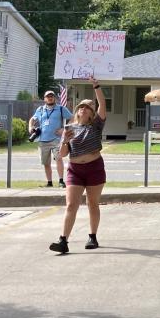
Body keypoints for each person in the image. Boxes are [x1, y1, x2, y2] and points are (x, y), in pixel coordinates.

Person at [49, 80, 107, 254]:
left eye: (87, 108)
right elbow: (63, 154)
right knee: (71, 205)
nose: (83, 109)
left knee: (92, 204)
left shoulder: (96, 126)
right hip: (75, 170)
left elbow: (102, 104)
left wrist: (96, 86)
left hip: (94, 167)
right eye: (81, 107)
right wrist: (65, 140)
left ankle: (93, 236)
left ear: (91, 113)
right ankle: (63, 240)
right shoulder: (69, 128)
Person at [29, 90, 72, 187]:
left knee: (59, 158)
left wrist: (64, 129)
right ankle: (49, 182)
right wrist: (30, 127)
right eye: (48, 96)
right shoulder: (40, 110)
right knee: (46, 162)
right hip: (43, 140)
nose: (50, 98)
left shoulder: (61, 109)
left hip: (56, 139)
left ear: (54, 98)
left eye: (51, 96)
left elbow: (72, 118)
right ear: (44, 99)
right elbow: (33, 119)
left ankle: (61, 181)